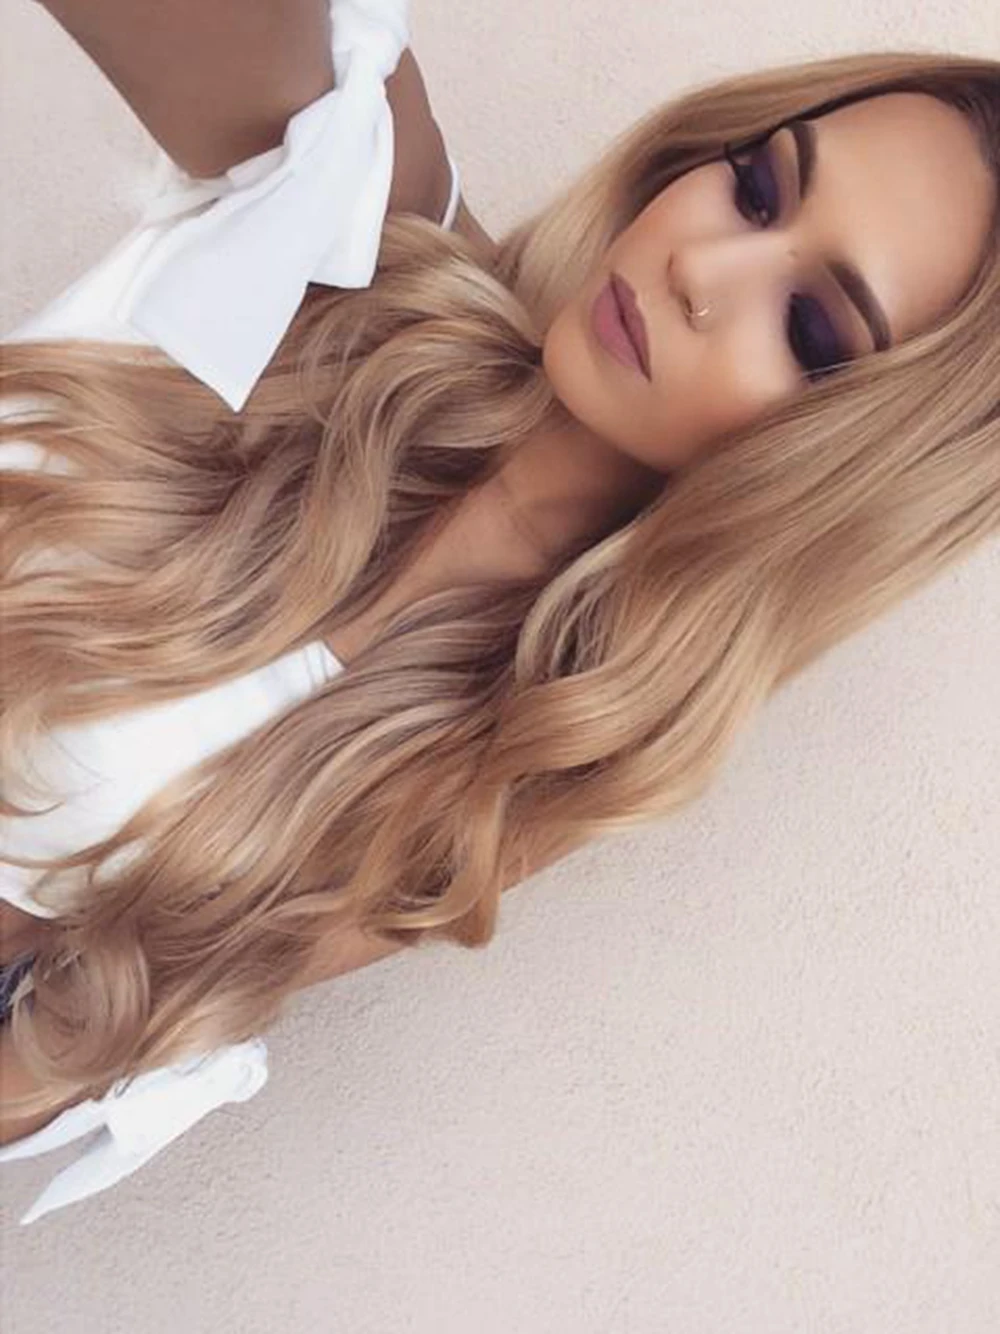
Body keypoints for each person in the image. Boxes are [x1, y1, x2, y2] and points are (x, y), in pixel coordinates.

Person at [1, 0, 997, 1223]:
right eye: (754, 188)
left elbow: (77, 1028)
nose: (699, 269)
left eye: (807, 327)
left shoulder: (539, 743)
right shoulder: (365, 226)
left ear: (843, 471)